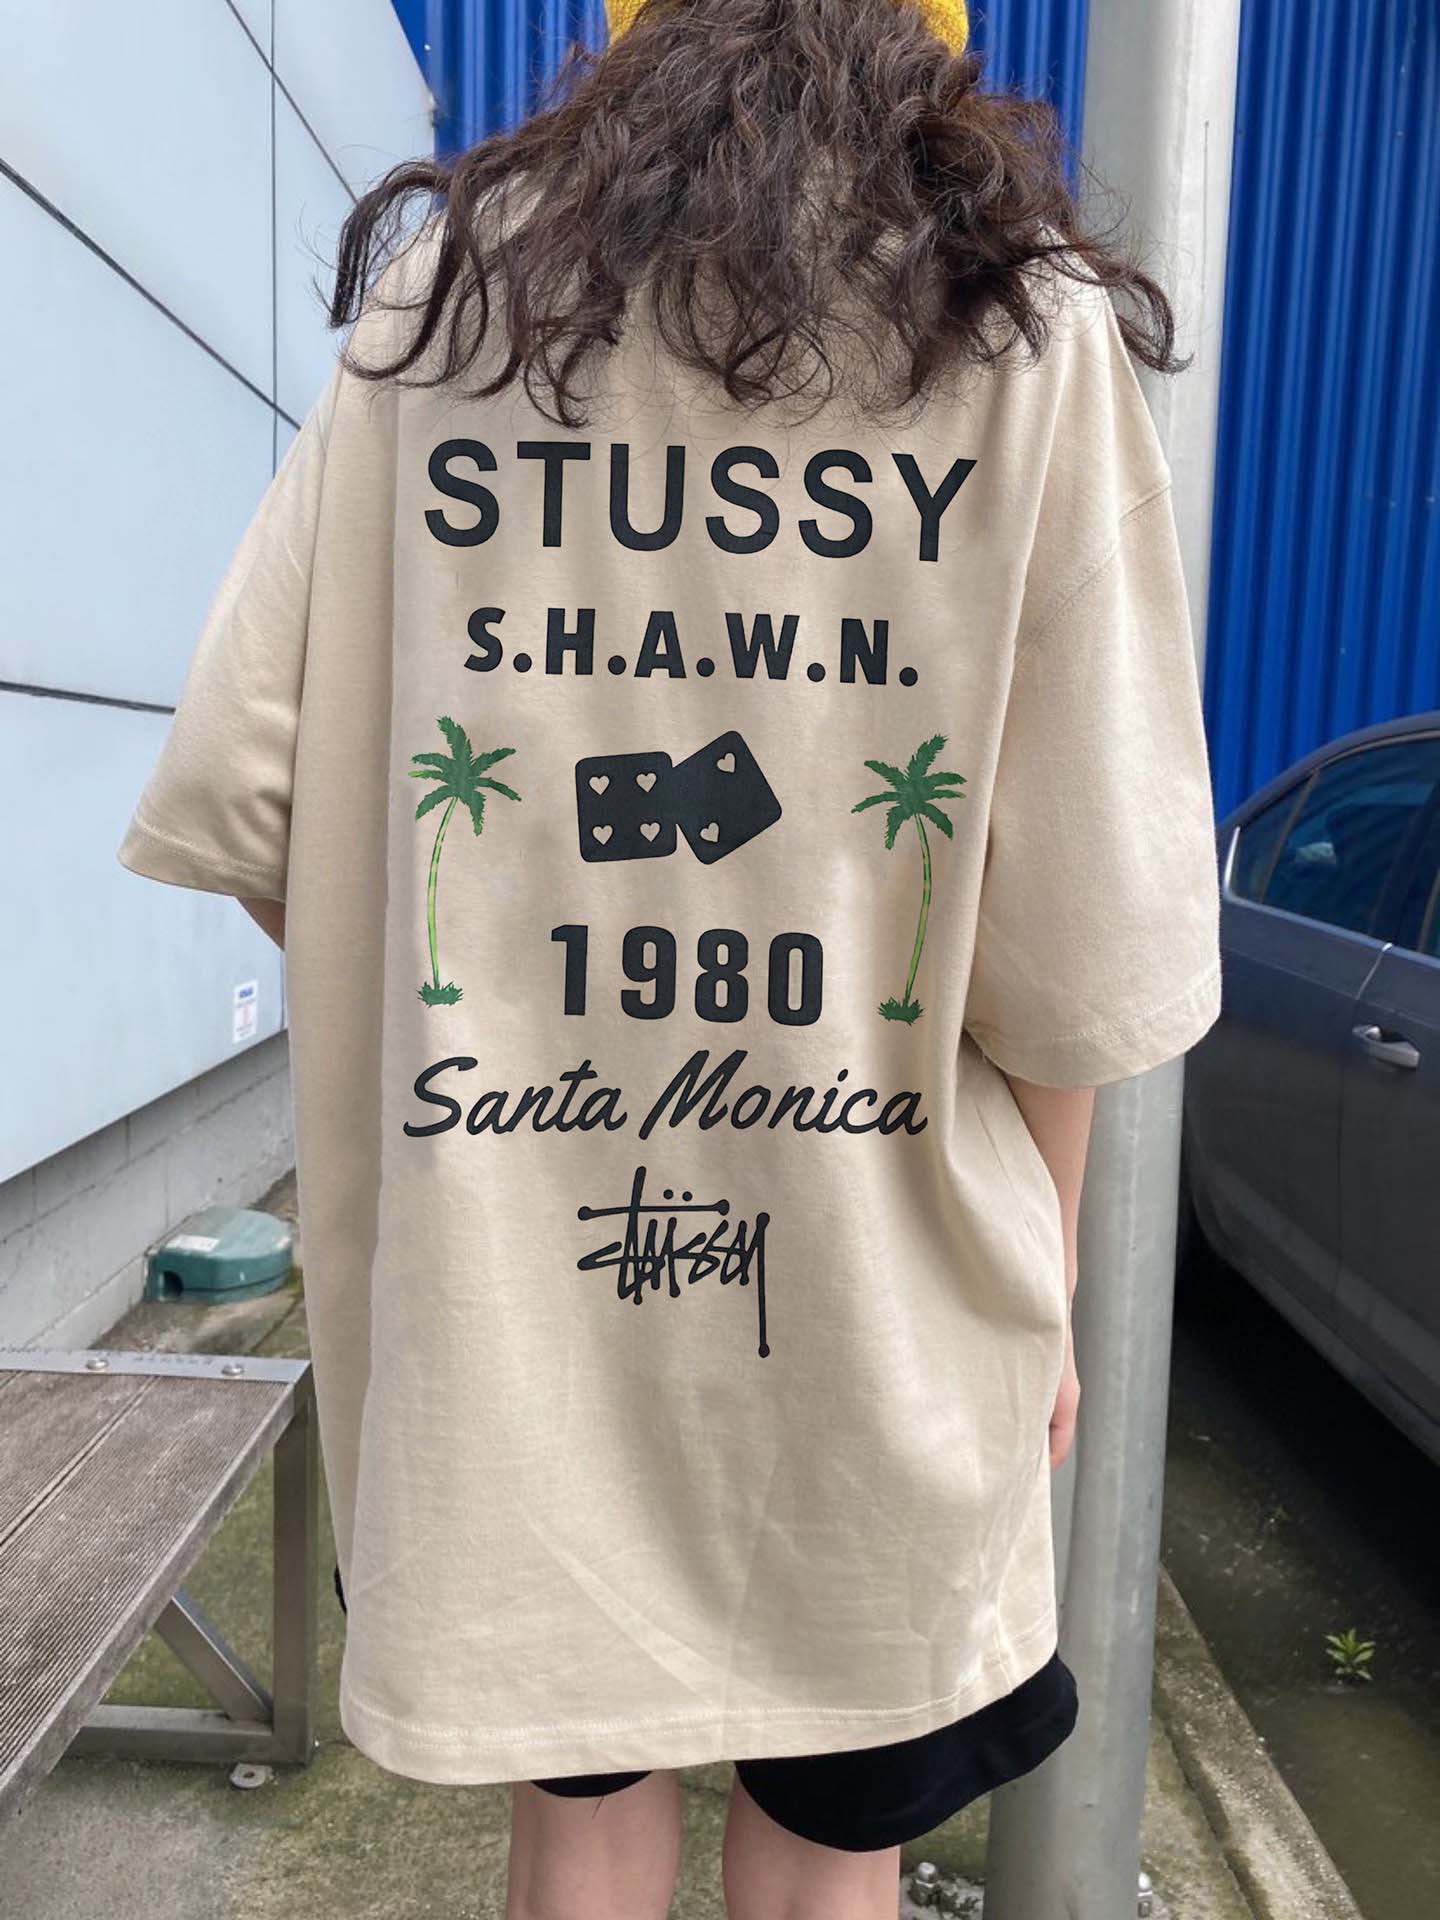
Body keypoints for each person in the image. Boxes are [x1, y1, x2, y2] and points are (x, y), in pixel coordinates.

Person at [114, 0, 1222, 1913]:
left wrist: (476, 1011)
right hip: (878, 1297)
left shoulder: (452, 309)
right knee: (835, 1849)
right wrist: (1041, 1279)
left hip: (517, 1294)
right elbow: (1085, 943)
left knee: (579, 1820)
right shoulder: (1014, 334)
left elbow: (259, 803)